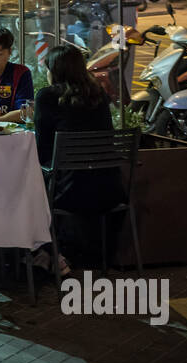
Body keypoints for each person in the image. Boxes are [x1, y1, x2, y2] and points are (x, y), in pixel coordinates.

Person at [33, 45, 122, 274]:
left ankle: (48, 253)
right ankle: (51, 253)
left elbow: (42, 152)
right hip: (110, 189)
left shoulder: (47, 97)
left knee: (28, 188)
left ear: (55, 70)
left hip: (69, 193)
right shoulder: (99, 94)